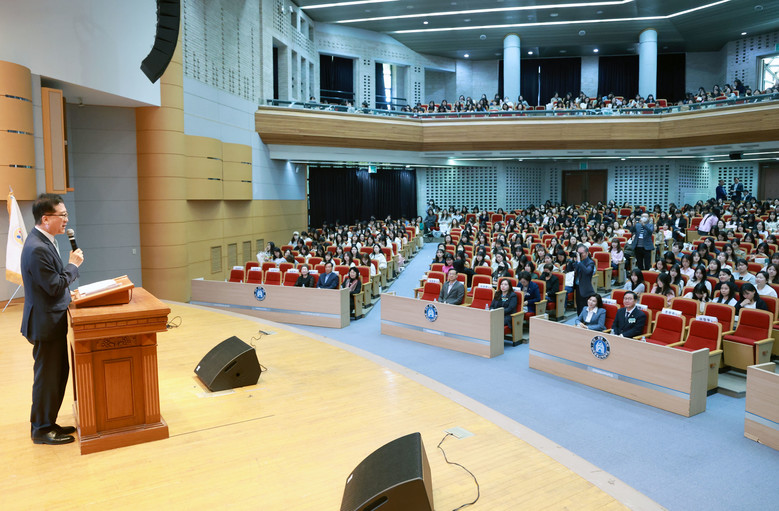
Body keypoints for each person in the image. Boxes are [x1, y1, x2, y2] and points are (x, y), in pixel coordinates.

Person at [20, 193, 84, 445]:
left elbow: (51, 284)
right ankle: (41, 429)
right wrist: (73, 266)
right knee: (47, 378)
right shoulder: (37, 248)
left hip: (50, 319)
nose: (66, 220)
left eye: (66, 214)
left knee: (57, 375)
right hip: (45, 323)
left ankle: (49, 422)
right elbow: (54, 286)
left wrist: (69, 291)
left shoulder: (44, 241)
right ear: (46, 218)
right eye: (62, 215)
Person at [574, 244, 595, 315]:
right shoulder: (578, 261)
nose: (580, 255)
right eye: (578, 253)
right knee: (578, 307)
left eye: (581, 253)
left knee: (584, 308)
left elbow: (587, 271)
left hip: (585, 288)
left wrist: (579, 262)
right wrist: (573, 261)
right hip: (577, 287)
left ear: (586, 253)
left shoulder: (590, 262)